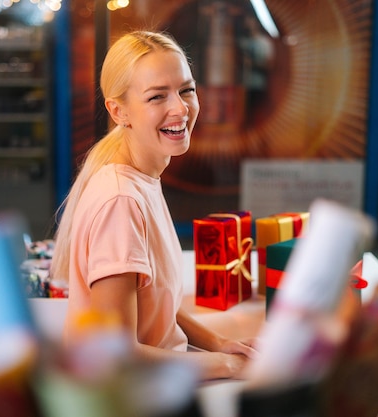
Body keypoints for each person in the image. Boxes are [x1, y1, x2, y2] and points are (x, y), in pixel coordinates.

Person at [50, 30, 257, 380]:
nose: (180, 108)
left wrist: (221, 344)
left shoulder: (142, 174)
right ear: (119, 111)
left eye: (186, 89)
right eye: (156, 97)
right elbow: (114, 354)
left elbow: (157, 305)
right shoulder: (121, 201)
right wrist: (228, 366)